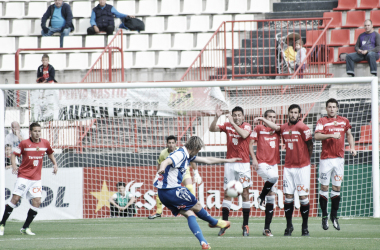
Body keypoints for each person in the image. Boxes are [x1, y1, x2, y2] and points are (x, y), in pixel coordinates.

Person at [155, 136, 239, 249]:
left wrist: (227, 160)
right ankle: (214, 222)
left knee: (190, 214)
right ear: (194, 147)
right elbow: (166, 161)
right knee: (197, 204)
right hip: (172, 190)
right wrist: (162, 167)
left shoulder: (188, 155)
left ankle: (203, 243)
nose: (198, 152)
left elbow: (207, 160)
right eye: (198, 149)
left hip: (163, 194)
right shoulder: (181, 154)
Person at [255, 104, 313, 237]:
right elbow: (275, 127)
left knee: (303, 197)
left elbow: (310, 144)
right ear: (288, 113)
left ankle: (304, 227)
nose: (293, 115)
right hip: (288, 167)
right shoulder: (284, 128)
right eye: (291, 112)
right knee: (288, 197)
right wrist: (261, 119)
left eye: (295, 113)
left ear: (299, 114)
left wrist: (306, 161)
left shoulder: (303, 128)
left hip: (302, 167)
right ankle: (289, 226)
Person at [0, 123, 58, 236]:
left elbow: (50, 153)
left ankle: (25, 228)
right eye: (35, 131)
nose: (37, 133)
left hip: (36, 179)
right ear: (30, 132)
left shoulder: (45, 143)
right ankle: (2, 224)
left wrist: (55, 164)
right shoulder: (24, 143)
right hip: (23, 176)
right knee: (15, 199)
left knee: (37, 202)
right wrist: (14, 165)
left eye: (39, 131)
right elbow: (13, 154)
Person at [209, 104, 252, 237]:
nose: (237, 117)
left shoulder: (247, 126)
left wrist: (232, 123)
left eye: (239, 115)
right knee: (228, 193)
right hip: (230, 163)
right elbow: (212, 129)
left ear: (243, 116)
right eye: (235, 115)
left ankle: (245, 225)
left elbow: (244, 135)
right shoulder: (227, 125)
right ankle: (224, 224)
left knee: (245, 193)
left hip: (243, 165)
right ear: (232, 115)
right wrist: (216, 117)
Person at [315, 98, 357, 231]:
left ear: (337, 108)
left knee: (337, 188)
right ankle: (324, 216)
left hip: (339, 159)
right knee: (324, 187)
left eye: (334, 107)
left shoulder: (344, 121)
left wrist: (352, 147)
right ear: (326, 109)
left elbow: (349, 135)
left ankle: (334, 216)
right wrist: (331, 135)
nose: (332, 109)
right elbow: (316, 136)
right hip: (326, 159)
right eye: (329, 107)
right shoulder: (322, 121)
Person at [149, 135, 202, 219]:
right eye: (169, 143)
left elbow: (192, 160)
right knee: (161, 191)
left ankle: (194, 207)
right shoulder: (163, 153)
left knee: (189, 187)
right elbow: (160, 164)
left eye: (173, 143)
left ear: (175, 143)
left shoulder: (180, 152)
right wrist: (157, 175)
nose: (171, 145)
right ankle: (159, 212)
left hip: (184, 172)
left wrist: (196, 173)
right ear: (166, 144)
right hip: (171, 175)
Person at [249, 109, 280, 237]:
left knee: (272, 194)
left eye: (273, 117)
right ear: (266, 118)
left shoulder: (278, 129)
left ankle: (266, 229)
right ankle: (261, 196)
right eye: (269, 117)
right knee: (274, 177)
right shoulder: (259, 128)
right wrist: (254, 159)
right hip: (261, 162)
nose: (272, 119)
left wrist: (262, 118)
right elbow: (250, 144)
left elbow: (276, 127)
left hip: (274, 164)